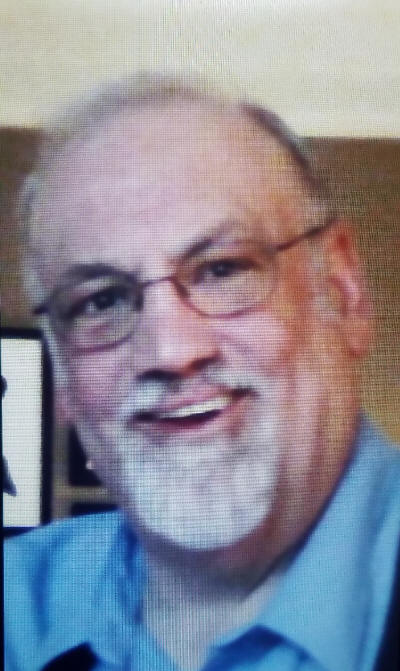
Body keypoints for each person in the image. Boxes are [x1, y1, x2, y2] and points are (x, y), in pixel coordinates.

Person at [4, 74, 400, 671]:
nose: (170, 350)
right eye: (101, 300)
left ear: (343, 295)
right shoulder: (16, 611)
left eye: (222, 270)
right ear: (62, 376)